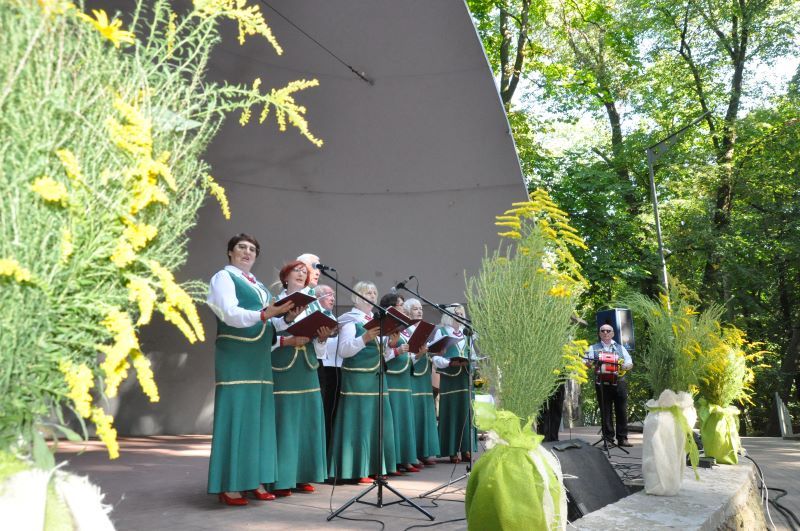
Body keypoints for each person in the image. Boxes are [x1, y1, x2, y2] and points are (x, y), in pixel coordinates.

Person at [205, 234, 300, 506]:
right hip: (236, 355)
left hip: (259, 358)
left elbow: (270, 323)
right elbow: (228, 313)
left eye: (252, 249)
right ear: (230, 252)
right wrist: (264, 314)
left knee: (259, 419)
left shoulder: (258, 285)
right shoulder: (223, 278)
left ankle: (255, 479)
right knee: (237, 416)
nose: (247, 253)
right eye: (242, 248)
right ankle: (231, 485)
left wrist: (287, 318)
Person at [270, 261, 334, 496]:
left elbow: (319, 350)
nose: (301, 274)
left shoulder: (313, 305)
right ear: (285, 276)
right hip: (283, 368)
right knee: (286, 421)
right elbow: (267, 336)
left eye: (305, 272)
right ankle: (281, 478)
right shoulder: (275, 301)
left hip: (307, 367)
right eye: (296, 271)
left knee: (307, 421)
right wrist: (287, 336)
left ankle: (303, 475)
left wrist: (322, 337)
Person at [328, 281, 398, 483]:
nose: (372, 295)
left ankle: (375, 466)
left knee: (376, 421)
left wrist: (390, 345)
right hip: (357, 379)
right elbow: (344, 350)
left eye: (374, 292)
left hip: (376, 377)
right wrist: (365, 337)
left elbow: (381, 353)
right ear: (356, 296)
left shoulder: (377, 320)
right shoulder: (350, 320)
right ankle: (357, 469)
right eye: (367, 292)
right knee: (360, 421)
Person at [380, 293, 421, 473]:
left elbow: (409, 356)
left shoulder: (405, 328)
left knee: (404, 418)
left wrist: (418, 354)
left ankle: (405, 457)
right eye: (400, 305)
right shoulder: (386, 326)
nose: (403, 308)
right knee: (394, 419)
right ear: (391, 307)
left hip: (404, 379)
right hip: (392, 378)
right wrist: (396, 350)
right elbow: (381, 355)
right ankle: (394, 460)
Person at [430, 304, 475, 463]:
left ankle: (466, 448)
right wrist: (449, 363)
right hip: (450, 379)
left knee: (466, 412)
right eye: (457, 313)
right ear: (449, 314)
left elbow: (472, 354)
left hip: (465, 378)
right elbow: (435, 357)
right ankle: (452, 450)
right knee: (452, 413)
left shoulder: (467, 334)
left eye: (462, 313)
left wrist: (472, 361)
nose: (461, 316)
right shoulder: (442, 332)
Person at [402, 298, 440, 465]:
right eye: (415, 309)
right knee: (415, 410)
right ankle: (415, 451)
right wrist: (419, 354)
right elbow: (407, 354)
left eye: (420, 308)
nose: (419, 311)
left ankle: (426, 450)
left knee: (425, 408)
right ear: (407, 312)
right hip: (411, 373)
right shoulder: (405, 330)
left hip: (424, 372)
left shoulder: (424, 329)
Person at [585, 323, 633, 447]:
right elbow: (586, 362)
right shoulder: (593, 348)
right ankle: (608, 439)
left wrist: (626, 366)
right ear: (599, 333)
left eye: (608, 331)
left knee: (621, 410)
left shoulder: (621, 348)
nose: (605, 333)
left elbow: (629, 362)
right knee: (605, 411)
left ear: (613, 333)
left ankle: (622, 438)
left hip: (619, 382)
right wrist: (587, 364)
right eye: (603, 331)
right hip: (602, 384)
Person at [313, 283, 340, 449]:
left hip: (335, 368)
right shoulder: (315, 315)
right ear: (318, 298)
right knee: (322, 407)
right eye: (329, 295)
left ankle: (328, 448)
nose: (333, 298)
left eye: (334, 296)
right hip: (320, 365)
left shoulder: (331, 317)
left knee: (331, 410)